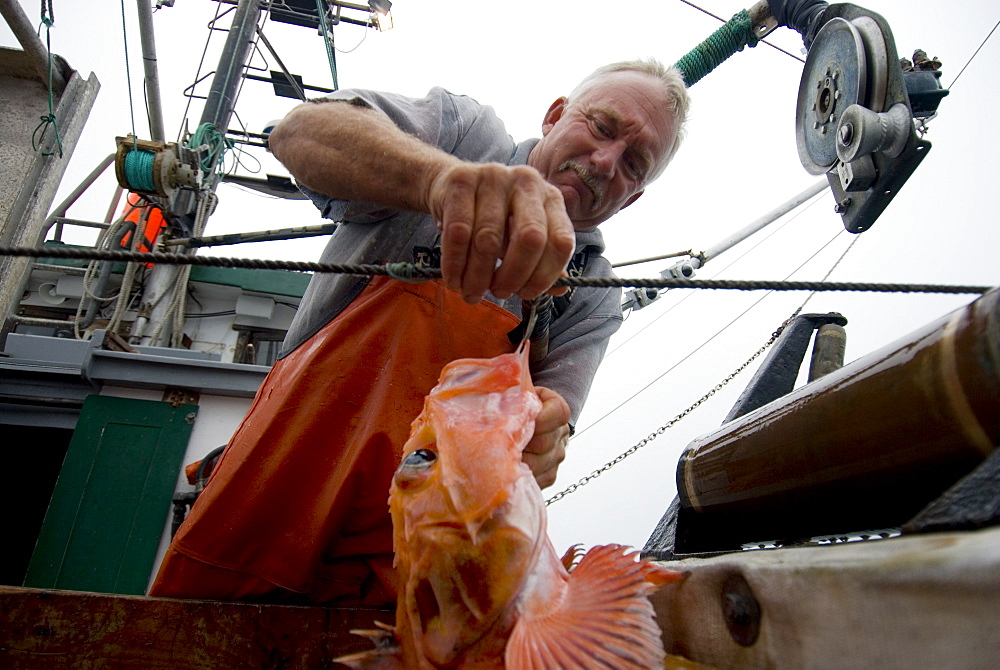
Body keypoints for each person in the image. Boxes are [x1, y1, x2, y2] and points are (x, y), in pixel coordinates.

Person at [149, 58, 689, 607]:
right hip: (271, 510)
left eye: (634, 164)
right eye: (600, 126)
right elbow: (297, 132)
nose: (605, 161)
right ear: (554, 117)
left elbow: (549, 439)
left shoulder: (594, 296)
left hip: (417, 576)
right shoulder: (466, 138)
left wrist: (548, 438)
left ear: (635, 196)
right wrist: (437, 181)